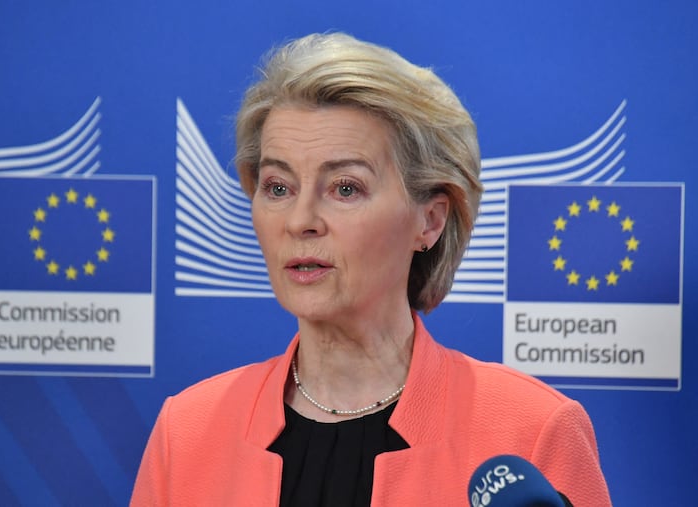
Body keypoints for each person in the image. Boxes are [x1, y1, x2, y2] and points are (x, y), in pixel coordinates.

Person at [131, 32, 612, 506]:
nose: (300, 221)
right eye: (278, 187)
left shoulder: (531, 431)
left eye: (344, 188)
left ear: (430, 220)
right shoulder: (188, 431)